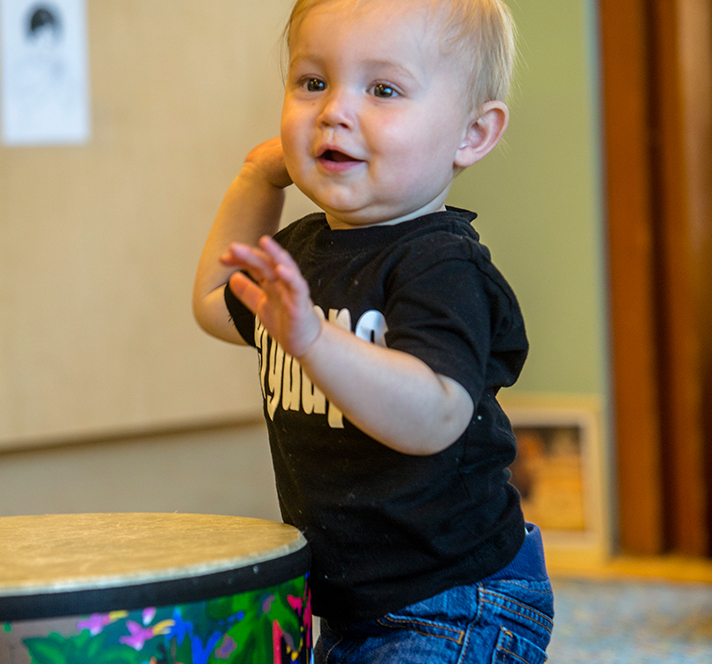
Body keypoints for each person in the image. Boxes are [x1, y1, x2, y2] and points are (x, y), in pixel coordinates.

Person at [193, 0, 554, 661]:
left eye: (383, 89)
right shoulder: (303, 250)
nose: (334, 110)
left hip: (451, 597)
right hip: (350, 602)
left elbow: (436, 415)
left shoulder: (440, 264)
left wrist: (313, 340)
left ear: (471, 135)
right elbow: (218, 304)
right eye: (312, 82)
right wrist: (257, 177)